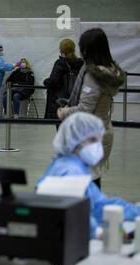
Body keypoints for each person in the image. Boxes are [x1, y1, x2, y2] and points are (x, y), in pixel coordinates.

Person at [26, 112, 140, 265]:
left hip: (64, 260)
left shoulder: (73, 167)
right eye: (93, 140)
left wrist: (135, 210)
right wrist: (101, 233)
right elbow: (72, 218)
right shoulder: (68, 172)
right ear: (75, 141)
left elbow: (100, 205)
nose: (98, 146)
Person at [57, 28, 125, 189]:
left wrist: (64, 112)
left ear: (87, 49)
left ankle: (87, 212)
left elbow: (85, 109)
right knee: (91, 175)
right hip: (101, 129)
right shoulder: (109, 71)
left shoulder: (94, 75)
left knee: (86, 180)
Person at [43, 39, 84, 121]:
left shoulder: (60, 63)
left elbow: (53, 81)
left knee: (61, 128)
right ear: (73, 49)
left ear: (60, 50)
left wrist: (46, 82)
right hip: (76, 100)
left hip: (61, 102)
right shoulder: (80, 63)